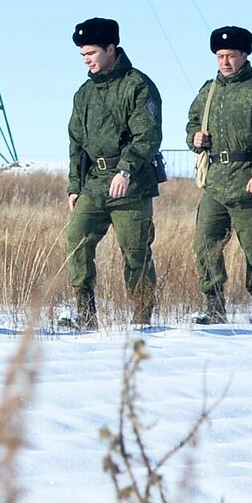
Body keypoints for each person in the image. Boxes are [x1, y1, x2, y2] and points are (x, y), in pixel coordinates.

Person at [185, 25, 252, 324]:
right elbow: (192, 123)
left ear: (245, 55)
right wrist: (194, 138)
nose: (225, 62)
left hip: (250, 182)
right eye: (220, 56)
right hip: (216, 182)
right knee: (205, 245)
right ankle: (214, 307)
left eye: (231, 55)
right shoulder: (209, 90)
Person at [62, 18, 163, 329]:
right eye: (82, 55)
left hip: (130, 186)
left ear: (111, 48)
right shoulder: (84, 94)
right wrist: (74, 186)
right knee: (76, 240)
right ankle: (86, 313)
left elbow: (147, 135)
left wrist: (126, 170)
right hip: (94, 184)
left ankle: (142, 319)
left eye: (91, 52)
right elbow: (76, 142)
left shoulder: (138, 85)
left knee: (135, 253)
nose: (86, 59)